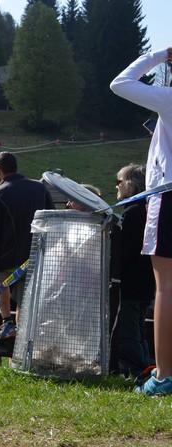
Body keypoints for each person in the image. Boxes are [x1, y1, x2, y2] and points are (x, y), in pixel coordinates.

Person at [111, 48, 172, 396]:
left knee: (166, 287)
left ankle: (163, 376)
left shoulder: (169, 99)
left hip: (169, 196)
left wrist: (159, 54)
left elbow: (120, 83)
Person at [0, 151, 54, 340]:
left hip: (7, 260)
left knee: (3, 284)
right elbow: (52, 220)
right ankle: (23, 335)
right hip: (36, 257)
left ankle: (7, 322)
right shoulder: (39, 189)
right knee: (25, 300)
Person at [109, 165, 156, 377]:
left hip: (130, 283)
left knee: (128, 331)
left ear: (130, 184)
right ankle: (144, 365)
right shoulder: (147, 209)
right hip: (146, 282)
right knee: (139, 330)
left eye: (119, 181)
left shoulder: (132, 212)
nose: (116, 186)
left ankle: (135, 370)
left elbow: (124, 251)